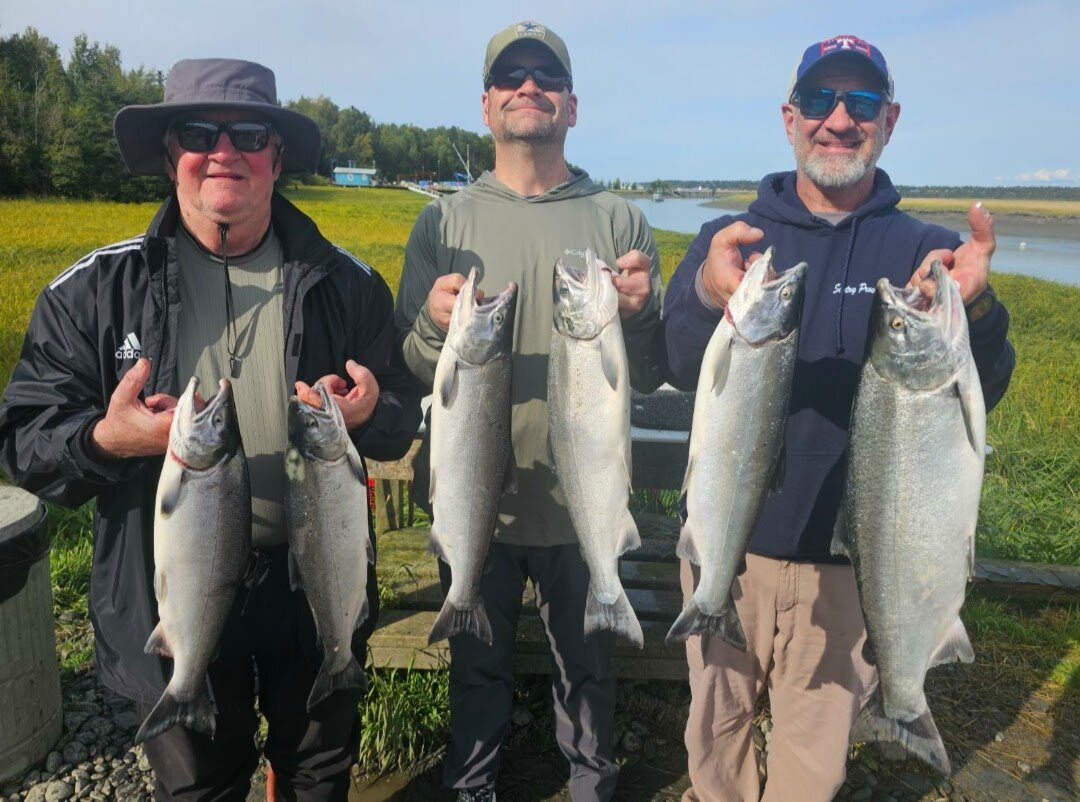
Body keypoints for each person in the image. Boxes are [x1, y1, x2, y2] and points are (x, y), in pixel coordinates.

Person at [0, 58, 422, 800]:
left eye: (249, 133)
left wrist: (367, 415)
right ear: (170, 153)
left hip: (313, 577)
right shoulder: (93, 291)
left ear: (278, 156)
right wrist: (107, 440)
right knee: (199, 788)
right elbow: (25, 442)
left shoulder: (348, 282)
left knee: (320, 774)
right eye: (198, 132)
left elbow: (397, 421)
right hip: (173, 580)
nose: (223, 150)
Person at [662, 35, 1015, 802]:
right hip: (730, 550)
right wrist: (703, 299)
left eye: (860, 103)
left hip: (855, 571)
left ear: (889, 120)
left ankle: (899, 713)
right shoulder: (732, 242)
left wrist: (976, 309)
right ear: (790, 117)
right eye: (821, 100)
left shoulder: (928, 252)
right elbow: (682, 362)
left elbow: (984, 390)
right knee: (712, 747)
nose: (839, 119)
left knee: (811, 770)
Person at [394, 20, 664, 802]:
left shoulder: (620, 220)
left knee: (589, 679)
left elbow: (646, 374)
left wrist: (643, 315)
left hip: (586, 506)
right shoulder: (440, 223)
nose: (528, 86)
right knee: (475, 673)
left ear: (572, 106)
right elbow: (410, 370)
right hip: (474, 502)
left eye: (545, 75)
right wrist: (431, 328)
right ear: (486, 105)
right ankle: (469, 788)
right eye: (511, 76)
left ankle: (592, 787)